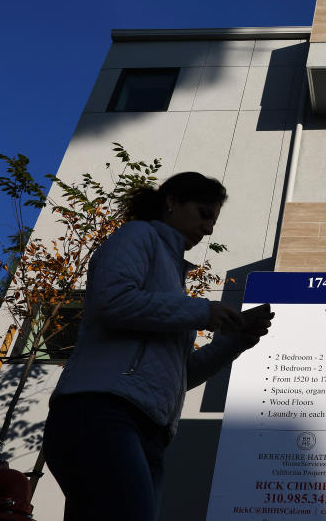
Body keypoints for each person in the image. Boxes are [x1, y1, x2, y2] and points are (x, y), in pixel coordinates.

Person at [42, 171, 273, 521]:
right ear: (172, 201)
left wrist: (235, 342)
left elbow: (181, 374)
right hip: (102, 411)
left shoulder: (174, 281)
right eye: (204, 213)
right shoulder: (139, 235)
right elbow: (112, 301)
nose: (209, 229)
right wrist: (201, 311)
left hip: (145, 430)